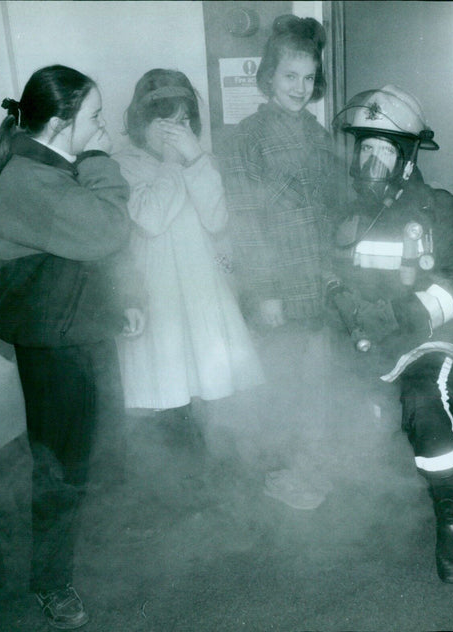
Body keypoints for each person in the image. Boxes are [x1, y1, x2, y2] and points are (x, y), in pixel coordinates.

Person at [0, 64, 144, 629]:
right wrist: (103, 159)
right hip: (54, 342)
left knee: (93, 447)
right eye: (95, 118)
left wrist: (125, 298)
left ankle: (85, 544)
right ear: (60, 123)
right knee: (57, 464)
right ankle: (50, 582)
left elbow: (92, 252)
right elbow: (106, 229)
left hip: (80, 325)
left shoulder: (54, 161)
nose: (102, 128)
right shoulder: (29, 179)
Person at [328, 85, 453, 583]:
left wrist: (403, 316)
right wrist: (344, 306)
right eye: (365, 148)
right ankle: (356, 515)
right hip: (365, 342)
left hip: (425, 342)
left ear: (407, 157)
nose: (371, 160)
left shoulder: (441, 210)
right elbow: (333, 276)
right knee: (327, 396)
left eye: (384, 149)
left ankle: (450, 521)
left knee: (423, 405)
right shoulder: (347, 215)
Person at [219, 15, 346, 508]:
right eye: (290, 76)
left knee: (315, 385)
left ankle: (310, 470)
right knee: (286, 387)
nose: (300, 86)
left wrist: (333, 267)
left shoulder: (317, 134)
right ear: (268, 76)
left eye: (309, 78)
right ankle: (287, 475)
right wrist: (263, 292)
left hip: (316, 283)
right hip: (276, 286)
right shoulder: (246, 137)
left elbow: (329, 210)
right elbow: (245, 223)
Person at [113, 69, 263, 473]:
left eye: (182, 123)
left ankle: (218, 481)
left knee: (213, 395)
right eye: (163, 124)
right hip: (158, 298)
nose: (174, 133)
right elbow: (151, 218)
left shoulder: (202, 162)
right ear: (140, 124)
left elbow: (217, 220)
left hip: (201, 294)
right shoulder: (122, 166)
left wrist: (195, 160)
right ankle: (175, 483)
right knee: (168, 393)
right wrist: (170, 162)